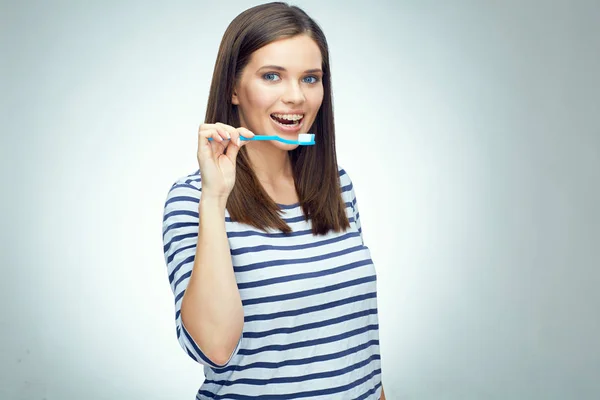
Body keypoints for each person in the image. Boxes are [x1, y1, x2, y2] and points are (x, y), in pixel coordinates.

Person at [162, 2, 386, 398]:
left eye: (310, 79)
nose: (296, 97)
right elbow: (213, 348)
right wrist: (215, 199)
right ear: (233, 88)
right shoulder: (193, 200)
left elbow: (360, 354)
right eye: (272, 76)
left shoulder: (337, 187)